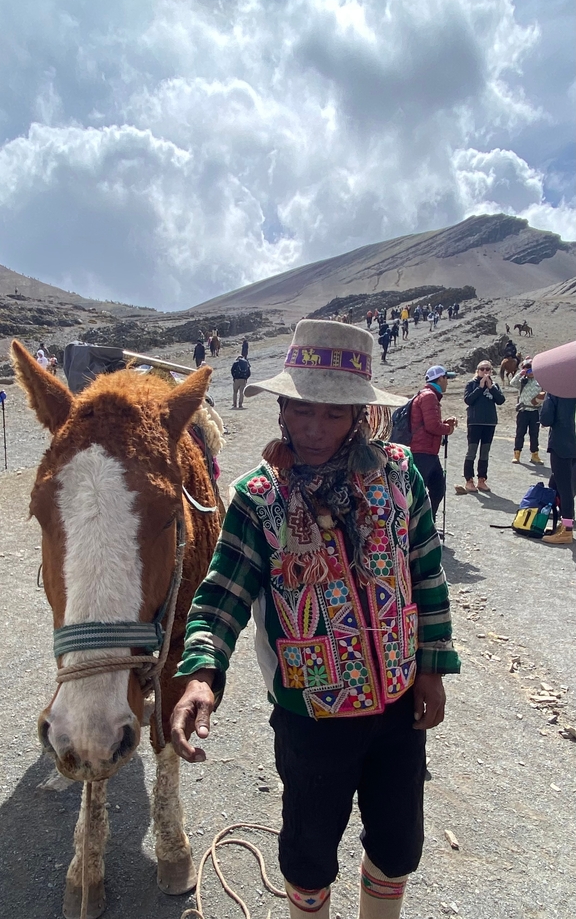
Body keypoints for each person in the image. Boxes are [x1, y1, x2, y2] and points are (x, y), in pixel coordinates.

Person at [171, 320, 460, 919]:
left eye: (333, 415)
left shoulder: (401, 478)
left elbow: (427, 577)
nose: (313, 429)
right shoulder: (259, 498)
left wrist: (430, 669)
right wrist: (201, 671)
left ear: (359, 415)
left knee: (397, 844)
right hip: (311, 717)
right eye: (302, 410)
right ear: (282, 407)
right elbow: (222, 592)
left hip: (399, 708)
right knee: (307, 852)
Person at [410, 367, 458, 518]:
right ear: (440, 379)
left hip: (426, 451)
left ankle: (426, 524)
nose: (447, 382)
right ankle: (417, 529)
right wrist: (448, 429)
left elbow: (427, 423)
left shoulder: (426, 395)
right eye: (446, 378)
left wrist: (444, 423)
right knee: (422, 491)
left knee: (437, 488)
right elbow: (432, 427)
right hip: (423, 452)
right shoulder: (430, 396)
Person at [458, 360, 504, 493]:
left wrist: (491, 388)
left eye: (488, 369)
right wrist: (480, 387)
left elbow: (501, 400)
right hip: (475, 422)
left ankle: (482, 479)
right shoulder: (471, 384)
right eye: (482, 369)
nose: (485, 372)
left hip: (489, 423)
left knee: (485, 452)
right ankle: (469, 480)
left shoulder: (494, 385)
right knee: (472, 451)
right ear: (477, 371)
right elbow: (468, 400)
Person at [539, 393, 576, 545]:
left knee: (564, 487)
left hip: (562, 445)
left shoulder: (556, 391)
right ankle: (564, 523)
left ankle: (567, 529)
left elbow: (546, 419)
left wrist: (547, 399)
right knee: (564, 484)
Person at [510, 359, 544, 464]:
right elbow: (512, 383)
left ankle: (535, 455)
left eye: (532, 369)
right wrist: (521, 373)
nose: (530, 372)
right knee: (520, 433)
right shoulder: (522, 381)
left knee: (534, 434)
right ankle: (517, 454)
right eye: (528, 369)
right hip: (523, 410)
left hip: (535, 411)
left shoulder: (540, 381)